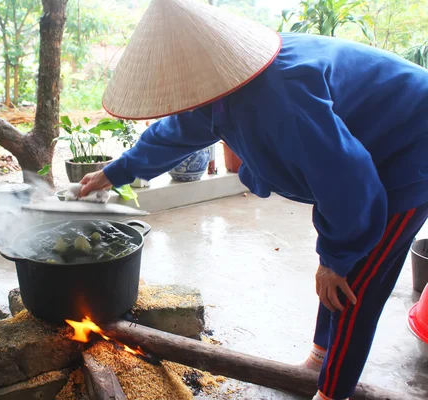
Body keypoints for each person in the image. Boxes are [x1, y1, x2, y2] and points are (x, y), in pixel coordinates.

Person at [78, 0, 428, 399]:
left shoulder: (284, 98)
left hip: (412, 150)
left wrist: (335, 258)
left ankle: (331, 392)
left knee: (354, 284)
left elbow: (349, 183)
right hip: (362, 151)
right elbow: (175, 132)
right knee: (336, 271)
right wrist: (113, 172)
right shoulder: (216, 83)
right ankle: (320, 357)